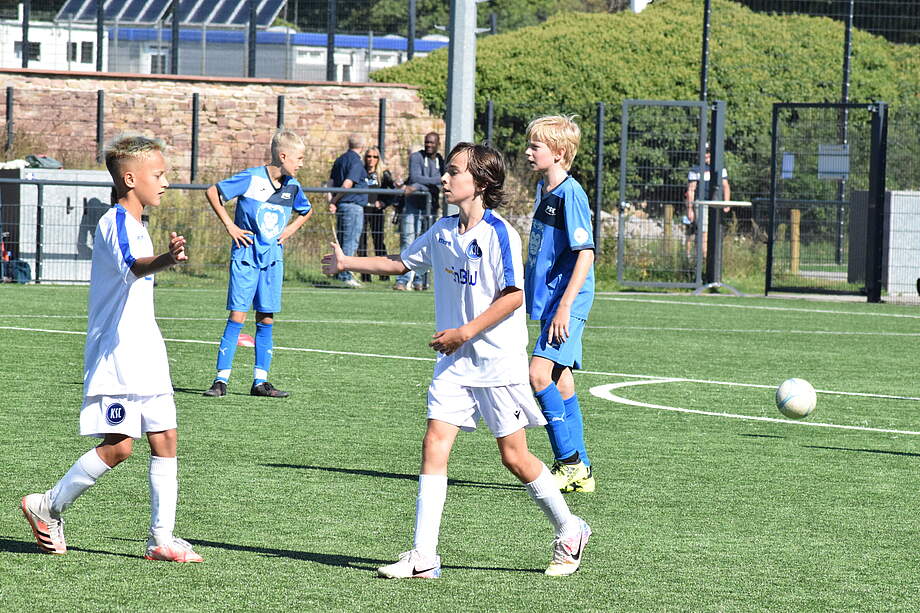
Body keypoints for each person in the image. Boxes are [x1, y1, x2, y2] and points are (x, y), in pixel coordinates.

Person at [322, 142, 591, 579]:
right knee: (434, 441)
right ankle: (424, 556)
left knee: (515, 457)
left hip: (497, 362)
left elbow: (514, 296)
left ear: (480, 182)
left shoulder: (500, 233)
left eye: (453, 172)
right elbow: (402, 262)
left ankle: (570, 527)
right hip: (454, 363)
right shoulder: (443, 230)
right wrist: (346, 262)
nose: (444, 179)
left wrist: (465, 332)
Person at [20, 134, 203, 562]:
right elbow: (132, 267)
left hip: (146, 351)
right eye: (158, 174)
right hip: (117, 356)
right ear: (130, 179)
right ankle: (46, 506)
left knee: (166, 438)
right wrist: (167, 259)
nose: (165, 182)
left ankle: (161, 539)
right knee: (119, 446)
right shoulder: (115, 221)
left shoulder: (138, 225)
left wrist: (163, 258)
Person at [202, 130, 312, 399]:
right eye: (299, 158)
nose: (302, 164)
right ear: (283, 156)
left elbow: (307, 210)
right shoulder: (251, 178)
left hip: (272, 260)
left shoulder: (293, 186)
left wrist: (290, 230)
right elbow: (213, 192)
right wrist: (230, 226)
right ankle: (220, 380)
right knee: (237, 316)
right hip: (246, 257)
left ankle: (260, 382)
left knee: (266, 318)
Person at [523, 115, 596, 494]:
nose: (528, 152)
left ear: (559, 152)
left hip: (567, 300)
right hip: (551, 298)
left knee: (538, 375)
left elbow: (586, 253)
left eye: (535, 146)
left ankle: (569, 463)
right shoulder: (544, 189)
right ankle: (582, 469)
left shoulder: (572, 194)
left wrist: (565, 306)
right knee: (560, 379)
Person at [393, 132, 443, 291]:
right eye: (426, 142)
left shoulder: (441, 160)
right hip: (412, 206)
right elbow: (415, 177)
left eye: (432, 143)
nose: (428, 145)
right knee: (408, 241)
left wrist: (417, 187)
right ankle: (402, 280)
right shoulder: (416, 157)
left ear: (438, 144)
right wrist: (426, 184)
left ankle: (419, 280)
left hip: (430, 208)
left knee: (425, 244)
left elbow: (441, 181)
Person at [329, 134, 369, 288]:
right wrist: (334, 200)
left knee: (342, 240)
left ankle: (339, 273)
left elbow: (330, 183)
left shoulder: (340, 159)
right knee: (350, 242)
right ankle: (345, 275)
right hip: (352, 205)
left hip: (342, 206)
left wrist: (332, 201)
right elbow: (347, 184)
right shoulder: (356, 161)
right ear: (362, 146)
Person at [357, 146, 399, 282]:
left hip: (377, 212)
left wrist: (383, 202)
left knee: (379, 242)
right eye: (369, 156)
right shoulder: (361, 172)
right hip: (363, 210)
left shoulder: (383, 174)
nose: (371, 159)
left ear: (378, 159)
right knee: (361, 243)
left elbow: (394, 192)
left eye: (375, 157)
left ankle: (384, 275)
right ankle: (365, 276)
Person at [684, 145, 730, 257]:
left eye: (708, 152)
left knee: (714, 230)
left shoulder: (720, 168)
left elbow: (726, 186)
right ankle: (704, 256)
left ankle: (707, 255)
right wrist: (690, 209)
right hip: (701, 203)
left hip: (716, 204)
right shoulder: (695, 170)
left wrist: (727, 203)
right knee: (703, 230)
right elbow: (691, 190)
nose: (706, 155)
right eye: (704, 152)